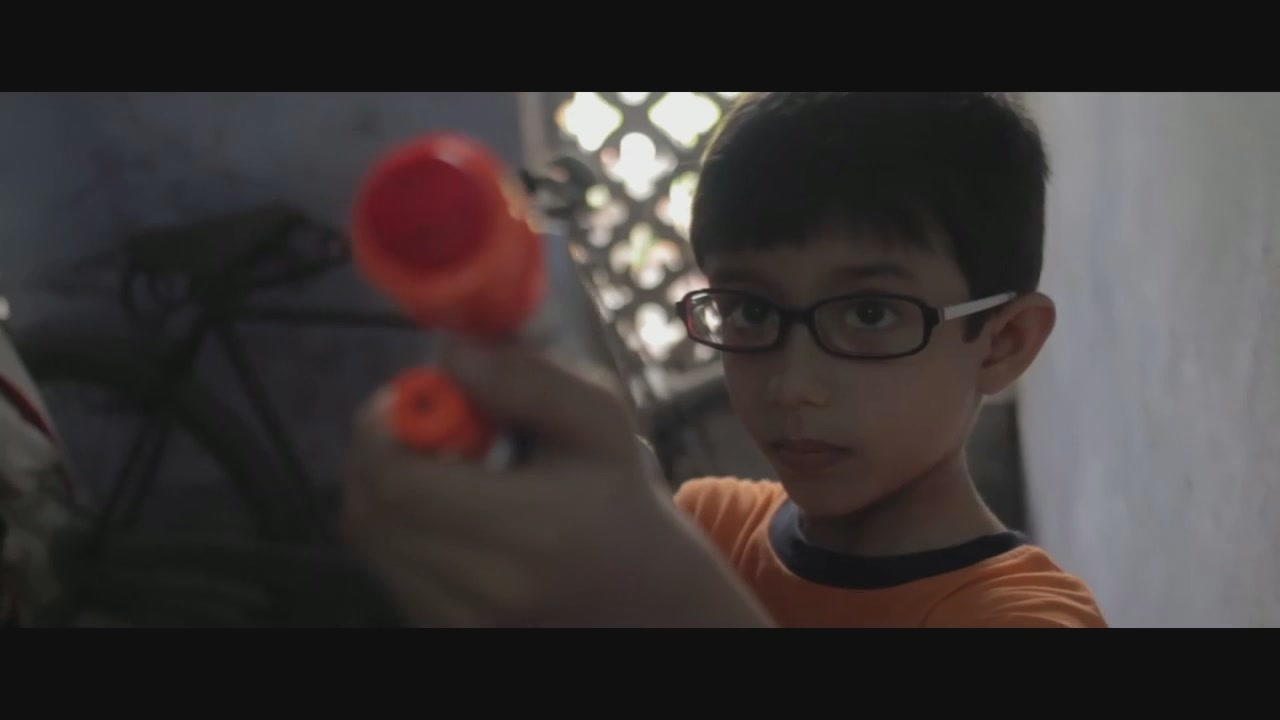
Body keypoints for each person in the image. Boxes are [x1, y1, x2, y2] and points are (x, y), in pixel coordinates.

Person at [342, 92, 1108, 628]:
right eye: (750, 310)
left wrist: (663, 600)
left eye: (869, 314)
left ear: (1003, 343)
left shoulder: (1028, 617)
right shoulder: (705, 523)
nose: (793, 384)